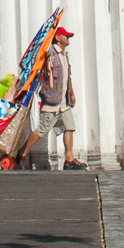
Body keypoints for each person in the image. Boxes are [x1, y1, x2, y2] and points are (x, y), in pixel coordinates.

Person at [35, 26, 85, 170]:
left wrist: (72, 93)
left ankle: (69, 159)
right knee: (41, 130)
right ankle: (22, 153)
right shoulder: (49, 53)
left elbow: (67, 77)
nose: (68, 38)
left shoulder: (64, 55)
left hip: (63, 102)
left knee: (69, 127)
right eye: (66, 36)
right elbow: (44, 75)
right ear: (58, 38)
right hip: (51, 101)